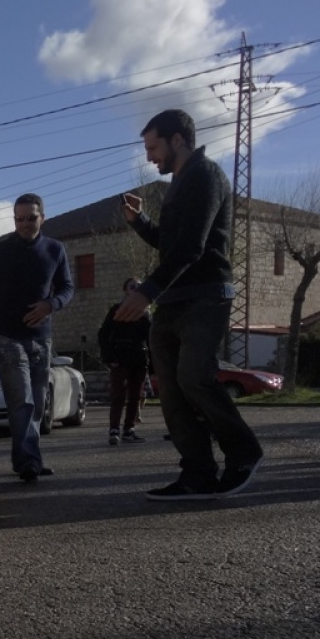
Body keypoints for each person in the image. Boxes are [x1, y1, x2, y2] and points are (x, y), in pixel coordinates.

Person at [113, 109, 264, 500]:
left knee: (196, 377)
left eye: (153, 147)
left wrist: (147, 290)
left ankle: (244, 453)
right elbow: (170, 245)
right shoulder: (179, 182)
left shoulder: (205, 175)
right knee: (173, 390)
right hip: (174, 300)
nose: (149, 157)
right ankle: (197, 473)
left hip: (206, 295)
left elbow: (193, 247)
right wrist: (140, 222)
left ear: (178, 140)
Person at [0, 192, 75, 482]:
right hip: (8, 339)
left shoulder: (55, 250)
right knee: (22, 399)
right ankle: (29, 461)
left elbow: (67, 287)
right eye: (19, 219)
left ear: (42, 217)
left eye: (31, 218)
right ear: (14, 219)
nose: (25, 223)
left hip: (42, 340)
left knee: (39, 403)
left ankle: (28, 458)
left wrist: (51, 304)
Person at [98, 277, 151, 445]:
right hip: (119, 356)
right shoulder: (116, 310)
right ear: (126, 290)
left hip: (138, 356)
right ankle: (114, 429)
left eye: (140, 287)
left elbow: (150, 337)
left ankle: (129, 429)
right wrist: (109, 356)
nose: (136, 289)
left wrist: (153, 361)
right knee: (118, 395)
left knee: (135, 395)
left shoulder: (145, 313)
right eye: (132, 286)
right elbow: (104, 334)